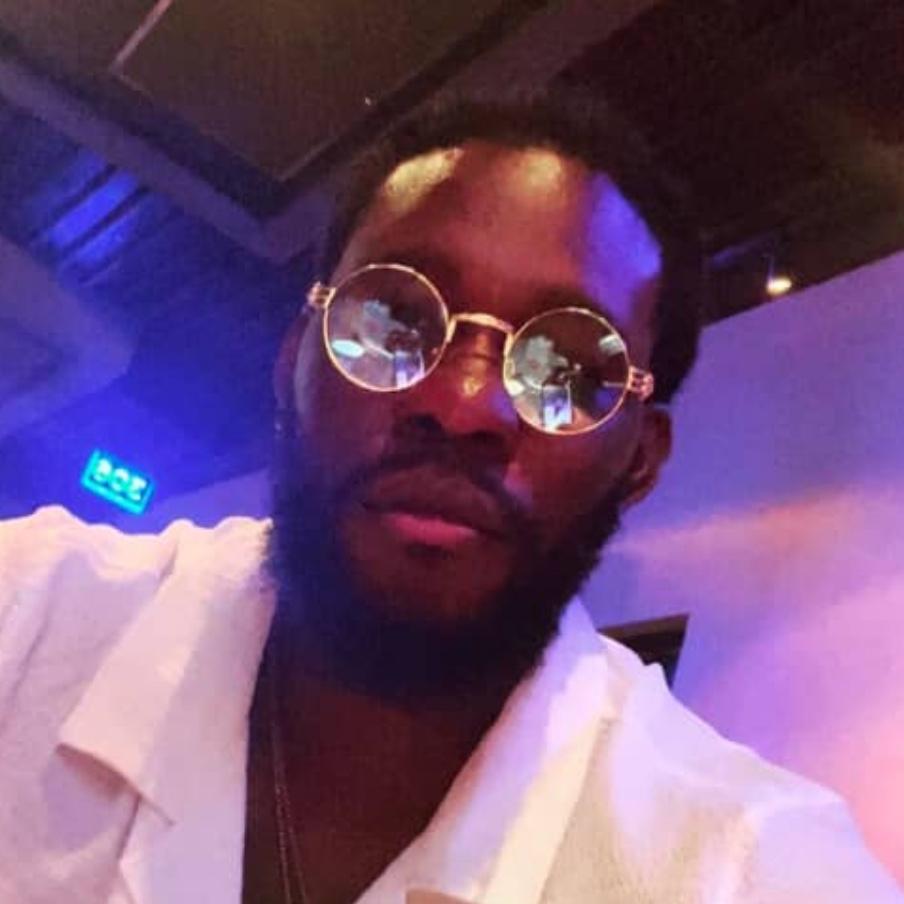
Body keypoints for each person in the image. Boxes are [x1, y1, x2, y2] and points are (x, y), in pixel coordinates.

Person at [0, 91, 900, 904]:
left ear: (640, 460)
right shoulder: (33, 617)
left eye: (568, 371)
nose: (464, 403)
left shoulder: (747, 869)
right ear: (295, 361)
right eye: (395, 319)